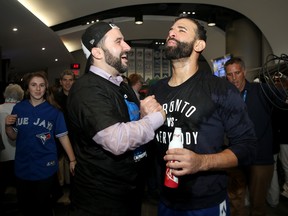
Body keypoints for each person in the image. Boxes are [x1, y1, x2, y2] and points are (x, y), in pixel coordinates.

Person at [149, 16, 257, 216]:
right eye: (171, 29)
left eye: (181, 30)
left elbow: (248, 146)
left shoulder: (220, 89)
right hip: (165, 199)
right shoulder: (156, 91)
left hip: (206, 202)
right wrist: (143, 120)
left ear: (199, 45)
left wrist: (201, 162)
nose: (171, 33)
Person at [66, 21, 166, 216]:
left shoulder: (122, 85)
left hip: (129, 193)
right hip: (100, 202)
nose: (127, 46)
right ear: (97, 52)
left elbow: (130, 124)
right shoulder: (87, 89)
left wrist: (143, 114)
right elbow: (116, 140)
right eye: (118, 41)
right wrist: (155, 119)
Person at [5, 71, 76, 216]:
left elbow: (63, 137)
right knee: (25, 207)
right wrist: (7, 126)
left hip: (45, 167)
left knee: (43, 208)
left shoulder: (54, 112)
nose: (38, 89)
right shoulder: (19, 108)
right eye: (34, 85)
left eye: (41, 85)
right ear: (27, 88)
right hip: (22, 167)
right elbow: (12, 136)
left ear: (46, 88)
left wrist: (72, 159)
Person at [224, 57, 276, 216]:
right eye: (230, 74)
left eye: (237, 73)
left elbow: (282, 98)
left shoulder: (261, 90)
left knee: (258, 206)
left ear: (244, 72)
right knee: (235, 204)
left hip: (260, 157)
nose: (234, 78)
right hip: (235, 157)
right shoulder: (224, 96)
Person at [0, 84, 24, 214]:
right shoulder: (22, 111)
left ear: (5, 95)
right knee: (21, 191)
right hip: (18, 157)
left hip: (2, 156)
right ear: (21, 96)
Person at [53, 70, 76, 203]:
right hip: (57, 136)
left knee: (74, 165)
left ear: (73, 81)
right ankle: (56, 192)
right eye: (65, 80)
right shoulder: (54, 98)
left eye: (70, 80)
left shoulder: (78, 96)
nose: (67, 83)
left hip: (74, 136)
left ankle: (74, 193)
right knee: (53, 164)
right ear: (61, 82)